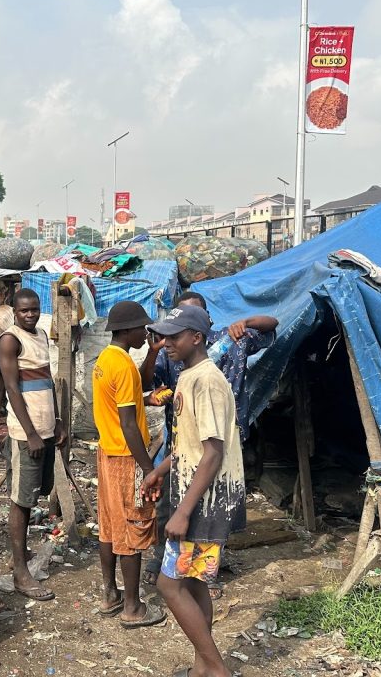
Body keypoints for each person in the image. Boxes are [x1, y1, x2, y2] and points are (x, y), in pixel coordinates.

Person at [140, 290, 278, 586]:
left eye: (178, 331)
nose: (170, 340)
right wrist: (159, 471)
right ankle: (185, 564)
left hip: (214, 444)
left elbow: (272, 325)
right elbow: (148, 383)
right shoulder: (177, 357)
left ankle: (203, 570)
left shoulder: (225, 351)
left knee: (204, 513)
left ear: (200, 331)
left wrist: (246, 321)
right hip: (184, 441)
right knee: (174, 507)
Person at [142, 305, 241, 677]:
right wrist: (159, 471)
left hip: (204, 501)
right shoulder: (187, 376)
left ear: (196, 337)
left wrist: (183, 510)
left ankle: (216, 670)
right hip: (193, 492)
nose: (165, 343)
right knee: (195, 581)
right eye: (164, 335)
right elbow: (188, 446)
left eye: (174, 336)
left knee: (169, 585)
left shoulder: (207, 381)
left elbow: (214, 452)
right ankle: (203, 667)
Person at [91, 300, 165, 628]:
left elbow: (129, 399)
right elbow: (129, 424)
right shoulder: (120, 365)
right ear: (125, 330)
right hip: (126, 457)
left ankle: (110, 595)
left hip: (108, 453)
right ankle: (133, 608)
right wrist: (149, 468)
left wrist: (148, 395)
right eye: (141, 327)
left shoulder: (108, 359)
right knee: (133, 528)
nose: (145, 332)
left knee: (109, 527)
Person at [0, 288, 66, 601]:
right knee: (21, 500)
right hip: (26, 434)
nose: (30, 315)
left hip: (46, 429)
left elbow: (48, 381)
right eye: (24, 311)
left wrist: (58, 422)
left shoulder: (39, 334)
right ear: (14, 311)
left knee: (36, 494)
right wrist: (31, 432)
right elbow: (12, 388)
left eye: (35, 309)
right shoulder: (10, 340)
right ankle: (21, 573)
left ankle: (20, 560)